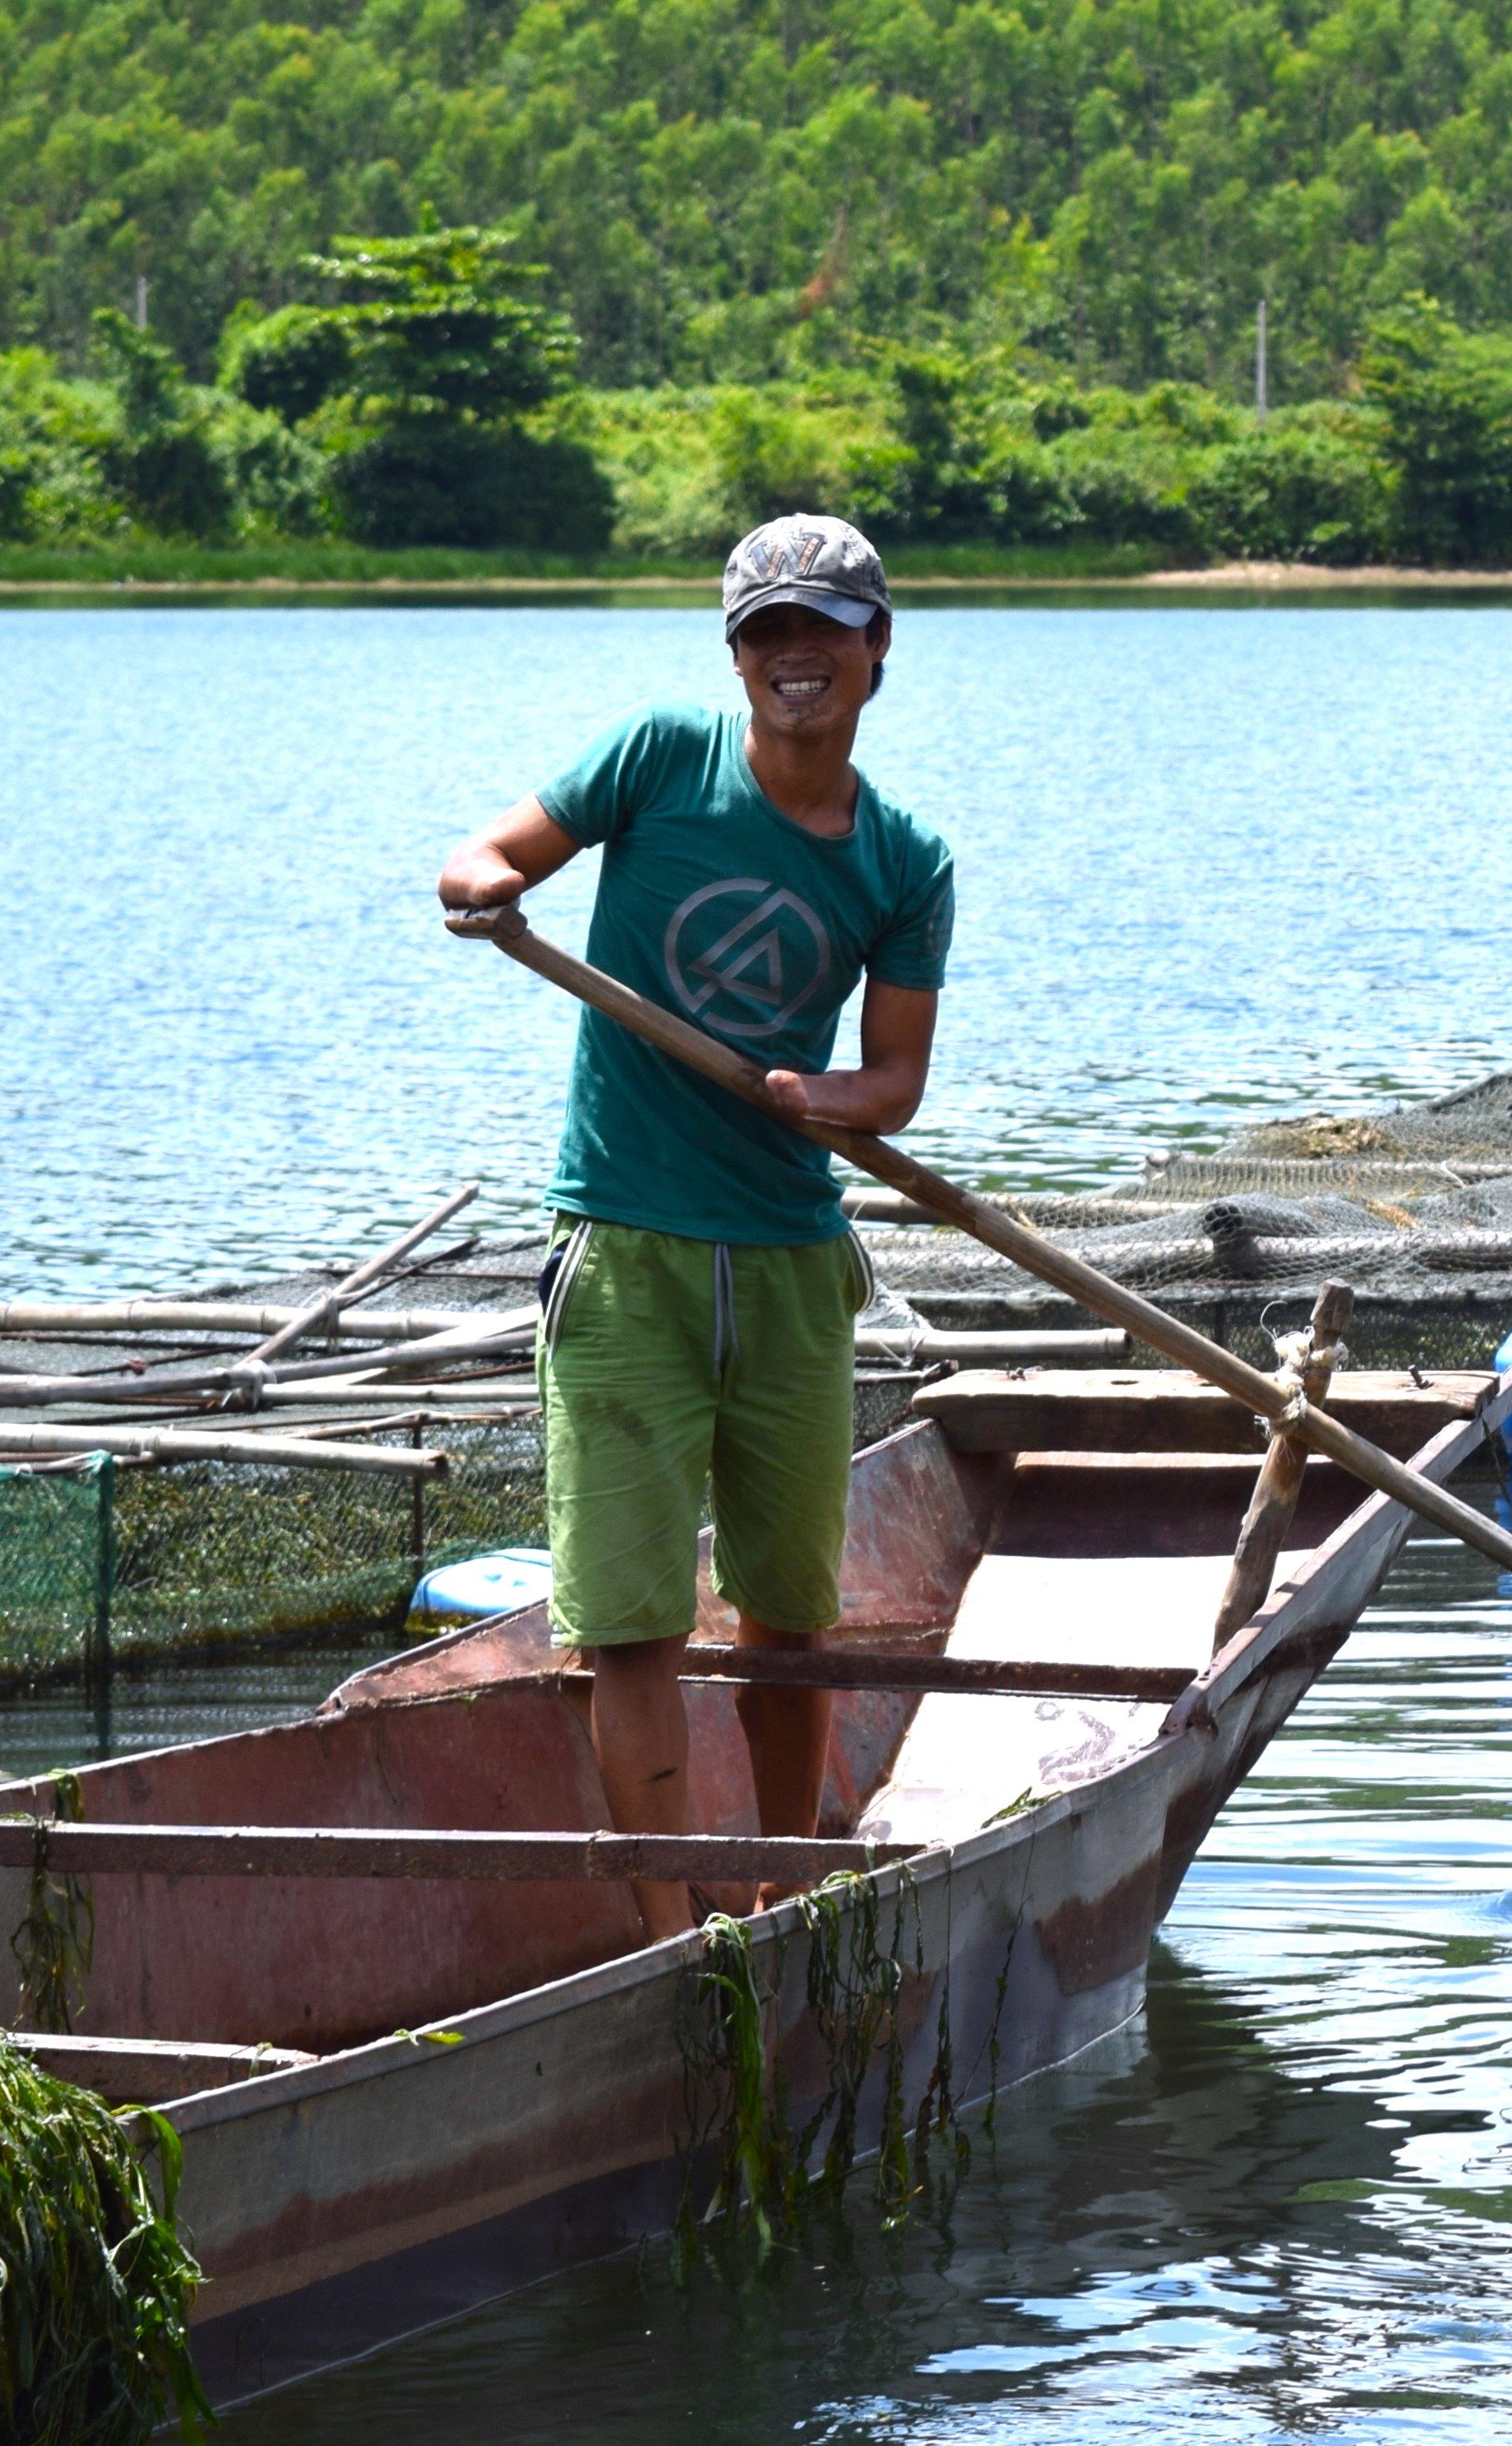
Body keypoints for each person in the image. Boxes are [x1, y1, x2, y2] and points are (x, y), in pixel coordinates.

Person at [439, 514, 954, 1942]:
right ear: (736, 655)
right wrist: (486, 886)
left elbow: (896, 1085)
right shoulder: (659, 758)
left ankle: (789, 1882)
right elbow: (486, 854)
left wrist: (820, 1095)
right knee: (631, 1620)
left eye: (826, 631)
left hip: (791, 1259)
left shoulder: (905, 859)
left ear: (876, 650)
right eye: (767, 632)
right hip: (625, 1254)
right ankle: (665, 1924)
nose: (798, 656)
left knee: (789, 1613)